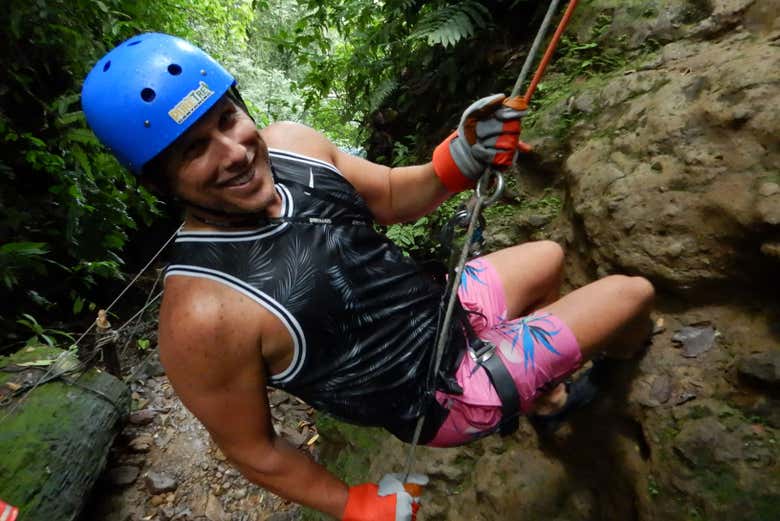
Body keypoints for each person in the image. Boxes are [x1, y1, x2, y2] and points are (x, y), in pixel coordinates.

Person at [81, 33, 655, 520]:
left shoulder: (293, 147)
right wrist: (353, 503)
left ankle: (542, 397)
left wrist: (460, 157)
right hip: (444, 396)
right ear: (159, 182)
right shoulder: (202, 316)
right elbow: (252, 449)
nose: (234, 152)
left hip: (446, 310)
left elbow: (388, 195)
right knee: (634, 294)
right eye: (193, 150)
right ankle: (612, 372)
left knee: (550, 256)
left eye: (228, 119)